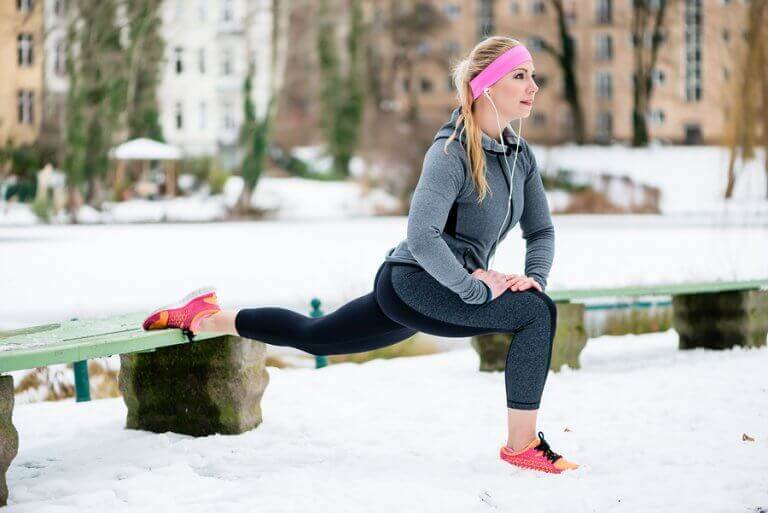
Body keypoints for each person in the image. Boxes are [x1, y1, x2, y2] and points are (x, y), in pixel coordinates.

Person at [142, 36, 578, 475]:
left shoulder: (520, 157)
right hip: (412, 283)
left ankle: (206, 316)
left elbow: (540, 231)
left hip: (441, 288)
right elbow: (422, 237)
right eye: (520, 75)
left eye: (532, 76)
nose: (533, 86)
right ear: (486, 86)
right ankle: (521, 446)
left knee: (316, 336)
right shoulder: (450, 153)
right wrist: (474, 290)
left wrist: (534, 277)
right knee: (535, 313)